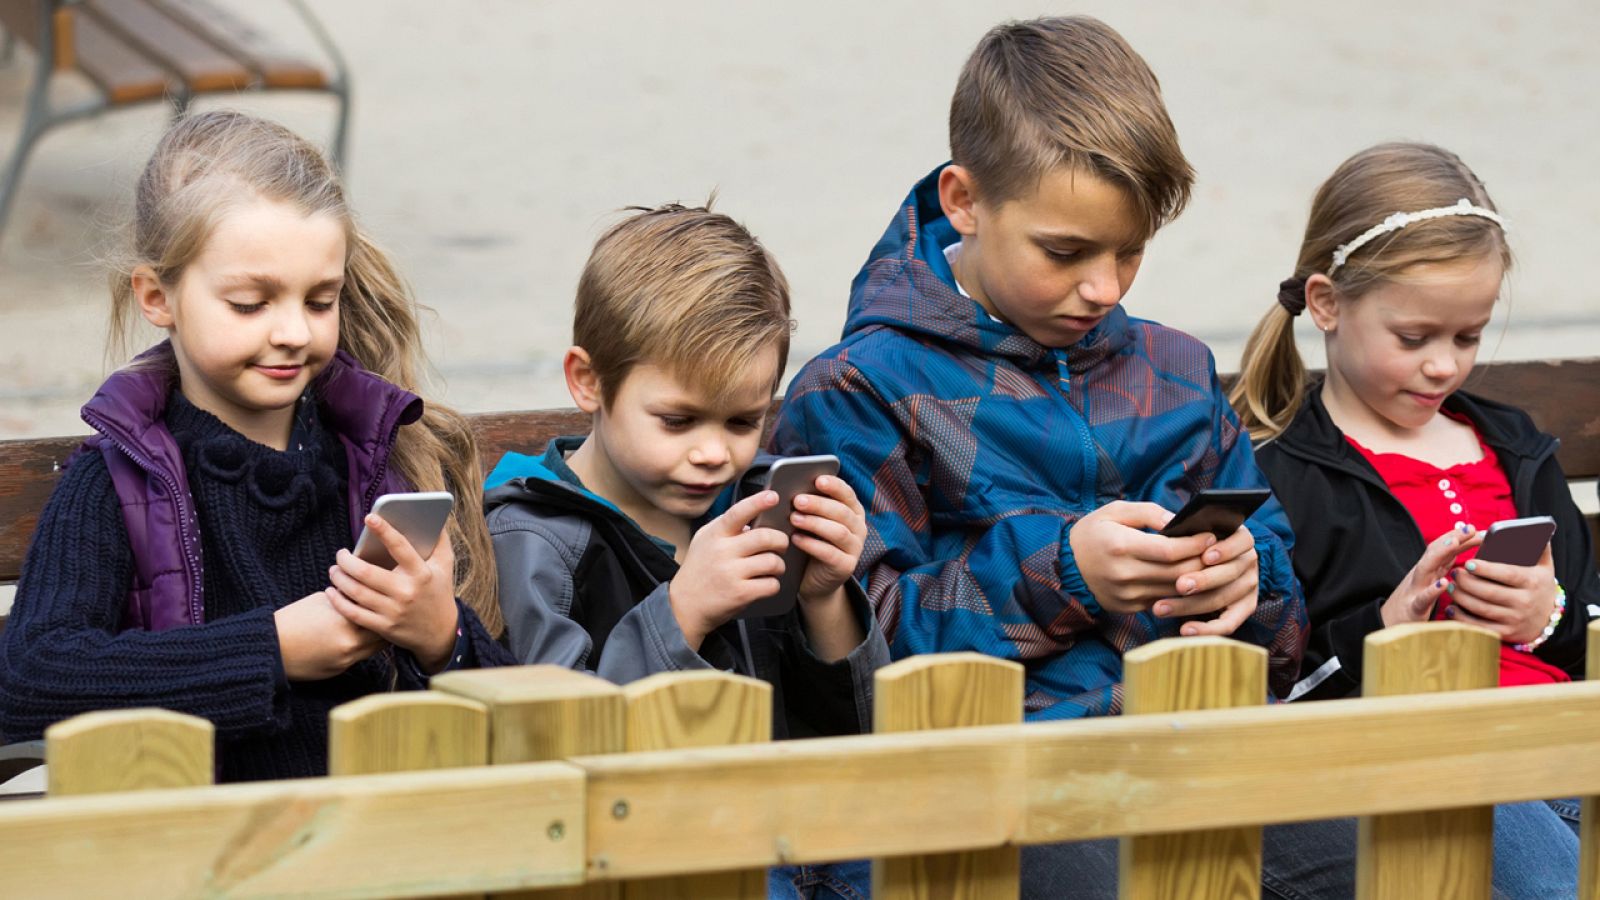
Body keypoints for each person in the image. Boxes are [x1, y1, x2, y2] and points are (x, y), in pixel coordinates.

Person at [767, 15, 1330, 898]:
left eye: (1130, 250)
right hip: (994, 788)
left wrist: (1248, 578)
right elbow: (853, 667)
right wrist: (1066, 575)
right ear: (963, 201)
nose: (1102, 287)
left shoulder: (1175, 369)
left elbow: (1287, 638)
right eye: (1064, 252)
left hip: (1213, 756)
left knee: (1501, 831)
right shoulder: (859, 389)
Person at [0, 111, 516, 782]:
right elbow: (29, 679)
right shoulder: (117, 482)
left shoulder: (382, 460)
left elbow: (516, 713)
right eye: (251, 303)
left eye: (320, 300)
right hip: (203, 853)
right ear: (159, 296)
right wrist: (271, 648)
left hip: (387, 838)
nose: (293, 332)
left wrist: (442, 636)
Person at [482, 204, 889, 899]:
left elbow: (862, 735)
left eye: (742, 421)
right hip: (644, 860)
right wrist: (679, 615)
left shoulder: (759, 503)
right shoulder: (535, 536)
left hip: (797, 836)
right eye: (677, 420)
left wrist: (826, 600)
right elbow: (557, 754)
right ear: (588, 381)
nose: (711, 453)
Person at [1233, 140, 1590, 897]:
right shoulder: (1283, 475)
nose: (1445, 366)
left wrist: (1546, 615)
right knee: (1550, 883)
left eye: (1468, 336)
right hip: (1426, 766)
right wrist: (1383, 632)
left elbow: (1590, 618)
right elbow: (1263, 697)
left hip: (1565, 745)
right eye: (1414, 338)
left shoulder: (1515, 448)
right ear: (1327, 304)